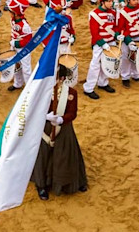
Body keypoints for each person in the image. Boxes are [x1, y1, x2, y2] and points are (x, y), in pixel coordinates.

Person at [32, 64, 87, 199]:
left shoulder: (71, 93)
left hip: (63, 129)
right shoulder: (41, 92)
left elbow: (72, 113)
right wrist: (45, 116)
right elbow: (33, 109)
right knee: (42, 156)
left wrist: (61, 119)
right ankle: (41, 185)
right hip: (44, 128)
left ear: (62, 79)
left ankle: (69, 183)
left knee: (65, 156)